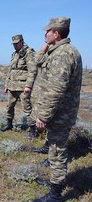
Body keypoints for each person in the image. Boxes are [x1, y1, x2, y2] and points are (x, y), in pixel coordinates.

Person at [32, 17, 82, 202]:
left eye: (47, 31)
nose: (44, 34)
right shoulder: (58, 51)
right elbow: (38, 65)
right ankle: (55, 181)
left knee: (57, 150)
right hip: (58, 112)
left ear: (56, 33)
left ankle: (55, 195)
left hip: (60, 113)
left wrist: (43, 116)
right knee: (54, 150)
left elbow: (56, 89)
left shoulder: (63, 54)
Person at [0, 34, 37, 139]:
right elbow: (11, 71)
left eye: (17, 43)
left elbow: (32, 71)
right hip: (12, 85)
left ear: (22, 41)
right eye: (13, 44)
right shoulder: (14, 54)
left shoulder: (29, 53)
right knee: (9, 106)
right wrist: (6, 84)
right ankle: (9, 124)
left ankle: (33, 129)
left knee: (27, 108)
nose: (15, 46)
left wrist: (28, 86)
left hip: (23, 86)